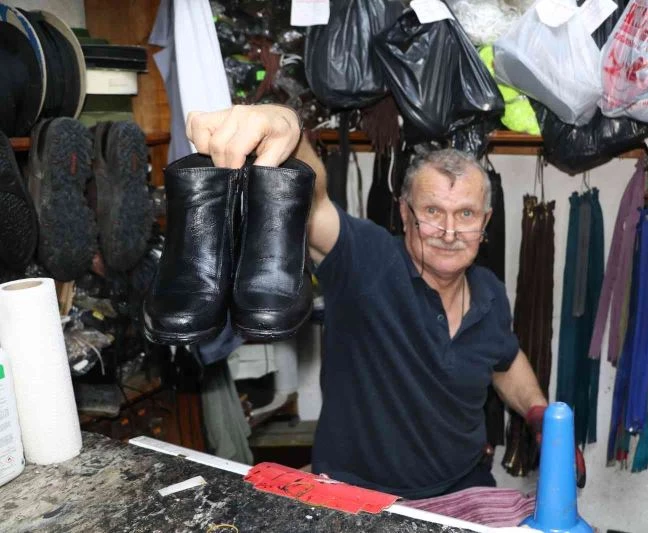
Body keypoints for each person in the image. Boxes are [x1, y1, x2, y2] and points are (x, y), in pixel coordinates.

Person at [185, 104, 568, 499]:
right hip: (360, 497)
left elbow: (505, 361)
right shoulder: (367, 259)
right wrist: (286, 129)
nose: (449, 231)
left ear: (485, 222)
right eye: (433, 211)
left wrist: (539, 413)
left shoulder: (489, 291)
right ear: (404, 212)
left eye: (466, 213)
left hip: (465, 488)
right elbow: (313, 202)